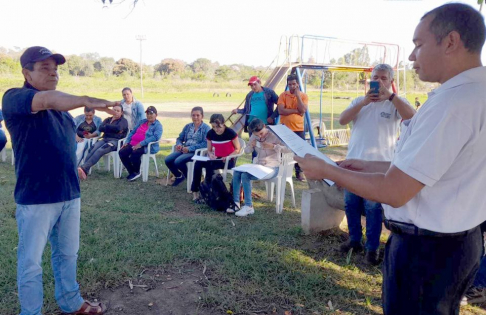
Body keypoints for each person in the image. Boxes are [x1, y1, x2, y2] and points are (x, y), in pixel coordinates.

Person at [295, 4, 486, 314]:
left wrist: (327, 169)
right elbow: (435, 169)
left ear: (450, 42)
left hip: (427, 252)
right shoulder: (475, 93)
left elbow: (395, 191)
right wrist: (370, 165)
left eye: (419, 44)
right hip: (455, 243)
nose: (412, 56)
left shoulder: (453, 102)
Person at [2, 46, 113, 314]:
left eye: (55, 69)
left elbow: (62, 143)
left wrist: (73, 167)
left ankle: (71, 301)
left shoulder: (63, 114)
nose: (53, 73)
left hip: (69, 193)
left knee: (67, 254)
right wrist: (88, 99)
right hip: (37, 198)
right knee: (30, 262)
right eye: (44, 68)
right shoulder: (16, 98)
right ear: (26, 73)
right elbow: (47, 100)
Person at [338, 64, 415, 265]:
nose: (378, 82)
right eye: (375, 78)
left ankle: (372, 249)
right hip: (354, 164)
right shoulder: (359, 102)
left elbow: (413, 117)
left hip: (379, 168)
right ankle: (355, 240)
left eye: (383, 78)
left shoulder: (394, 104)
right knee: (351, 204)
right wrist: (363, 102)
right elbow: (342, 120)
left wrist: (391, 96)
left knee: (373, 209)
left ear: (390, 81)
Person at [227, 118, 289, 217]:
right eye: (257, 135)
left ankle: (249, 206)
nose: (260, 136)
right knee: (237, 172)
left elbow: (288, 149)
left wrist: (273, 147)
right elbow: (247, 151)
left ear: (264, 126)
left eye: (261, 133)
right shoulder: (254, 136)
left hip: (273, 167)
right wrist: (251, 146)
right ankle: (236, 203)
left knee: (245, 176)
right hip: (259, 166)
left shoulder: (274, 135)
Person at [191, 114, 240, 202]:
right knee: (198, 163)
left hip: (228, 159)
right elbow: (209, 150)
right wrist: (210, 154)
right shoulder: (210, 133)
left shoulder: (230, 132)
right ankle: (195, 191)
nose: (216, 129)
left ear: (223, 123)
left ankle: (208, 192)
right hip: (216, 158)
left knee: (211, 166)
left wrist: (228, 156)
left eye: (218, 126)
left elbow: (237, 149)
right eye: (214, 127)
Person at [231, 76, 279, 159]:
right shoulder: (250, 95)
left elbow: (280, 104)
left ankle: (268, 165)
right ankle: (254, 165)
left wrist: (272, 116)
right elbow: (246, 110)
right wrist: (237, 111)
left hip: (266, 125)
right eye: (251, 85)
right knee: (254, 146)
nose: (253, 87)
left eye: (255, 84)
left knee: (268, 146)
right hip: (252, 125)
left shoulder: (269, 92)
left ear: (259, 83)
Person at [78, 104, 128, 179]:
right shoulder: (107, 119)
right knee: (92, 148)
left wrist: (107, 127)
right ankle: (84, 170)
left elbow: (118, 128)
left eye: (118, 111)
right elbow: (101, 128)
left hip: (116, 141)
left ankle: (83, 168)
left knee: (100, 150)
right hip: (105, 139)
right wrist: (112, 129)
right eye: (114, 110)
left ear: (122, 112)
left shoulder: (123, 121)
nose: (116, 112)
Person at [165, 106, 211, 187]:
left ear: (202, 116)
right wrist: (179, 144)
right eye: (193, 115)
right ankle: (179, 176)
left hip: (197, 152)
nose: (195, 117)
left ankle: (191, 178)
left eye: (197, 115)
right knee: (168, 160)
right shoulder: (188, 126)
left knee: (178, 161)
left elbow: (205, 143)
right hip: (184, 149)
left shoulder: (206, 128)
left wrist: (190, 148)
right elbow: (180, 138)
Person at [277, 74, 308, 182]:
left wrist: (298, 96)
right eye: (290, 84)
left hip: (298, 129)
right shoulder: (283, 95)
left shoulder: (303, 96)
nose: (292, 86)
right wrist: (296, 111)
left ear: (298, 84)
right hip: (284, 128)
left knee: (299, 152)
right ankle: (284, 171)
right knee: (283, 151)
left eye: (294, 84)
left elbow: (303, 110)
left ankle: (299, 173)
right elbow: (281, 110)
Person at [119, 106, 163, 181]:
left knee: (134, 153)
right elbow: (132, 132)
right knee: (122, 152)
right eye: (148, 113)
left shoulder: (158, 125)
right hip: (133, 143)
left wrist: (141, 144)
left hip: (146, 146)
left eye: (151, 113)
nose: (149, 115)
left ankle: (136, 171)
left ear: (156, 114)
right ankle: (132, 172)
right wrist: (127, 142)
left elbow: (155, 137)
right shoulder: (142, 122)